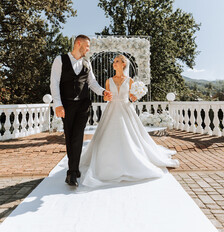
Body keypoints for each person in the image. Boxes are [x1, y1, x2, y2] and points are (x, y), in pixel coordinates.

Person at [79, 54, 179, 188]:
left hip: (126, 109)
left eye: (117, 61)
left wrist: (134, 96)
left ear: (123, 64)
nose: (114, 64)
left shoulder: (130, 80)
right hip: (112, 109)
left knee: (131, 135)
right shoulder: (109, 81)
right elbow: (106, 97)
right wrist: (107, 97)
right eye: (113, 62)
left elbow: (133, 97)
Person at [50, 35, 112, 187]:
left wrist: (103, 92)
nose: (88, 49)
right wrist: (58, 104)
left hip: (83, 105)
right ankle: (74, 169)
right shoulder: (60, 60)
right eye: (87, 46)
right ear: (79, 43)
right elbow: (54, 83)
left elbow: (92, 83)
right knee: (70, 137)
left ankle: (72, 172)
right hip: (67, 105)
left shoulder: (86, 62)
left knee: (77, 136)